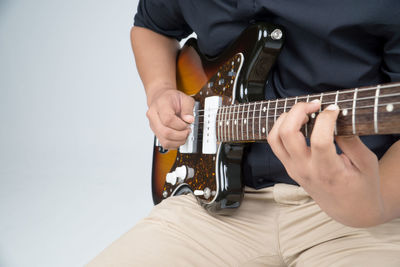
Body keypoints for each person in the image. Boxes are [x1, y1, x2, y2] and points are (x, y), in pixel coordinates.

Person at [88, 1, 400, 266]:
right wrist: (160, 90)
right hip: (210, 208)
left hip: (362, 210)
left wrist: (376, 205)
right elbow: (151, 26)